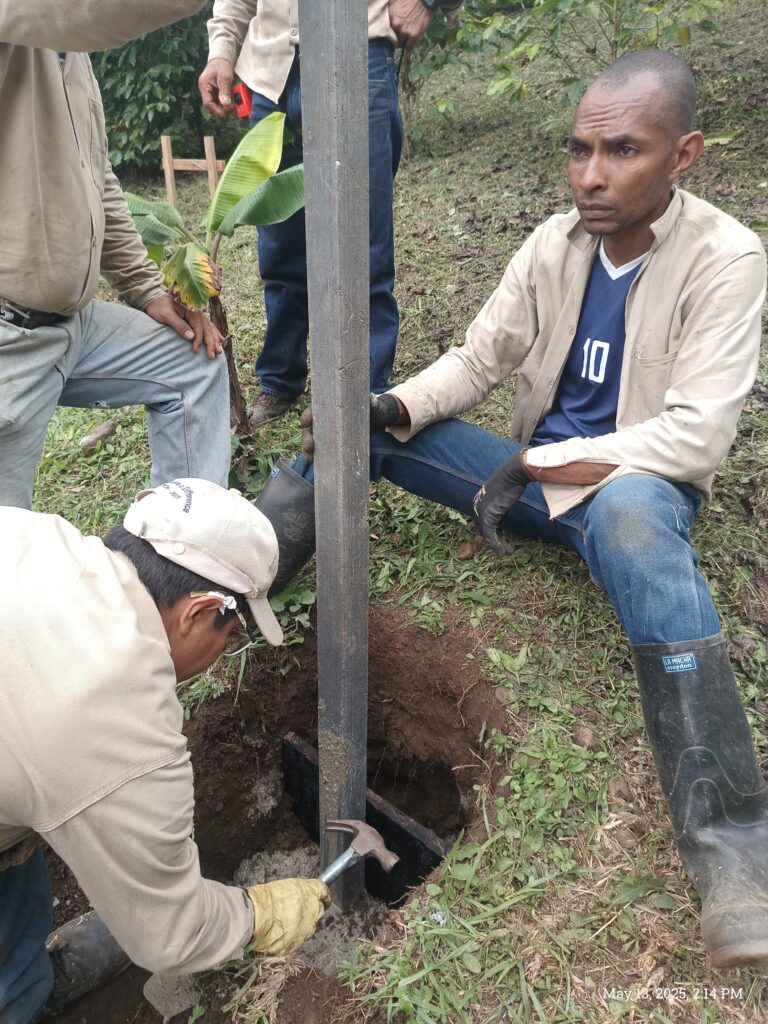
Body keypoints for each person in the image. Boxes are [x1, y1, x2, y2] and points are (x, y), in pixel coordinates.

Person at [263, 50, 768, 968]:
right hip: (526, 483)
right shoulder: (554, 245)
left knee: (630, 520)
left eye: (622, 151)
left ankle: (732, 853)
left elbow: (697, 436)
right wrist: (392, 404)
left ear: (684, 154)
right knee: (357, 429)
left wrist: (541, 461)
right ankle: (254, 570)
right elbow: (477, 359)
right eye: (579, 150)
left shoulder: (726, 257)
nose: (591, 176)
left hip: (629, 493)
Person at [0, 479, 331, 1024]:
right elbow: (172, 934)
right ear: (198, 612)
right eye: (232, 634)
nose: (225, 650)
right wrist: (258, 914)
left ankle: (24, 981)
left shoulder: (38, 535)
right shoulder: (120, 725)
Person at [0, 1, 231, 511]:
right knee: (9, 545)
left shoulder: (73, 57)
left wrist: (147, 289)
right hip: (9, 340)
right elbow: (86, 11)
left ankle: (183, 544)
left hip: (72, 324)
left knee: (192, 363)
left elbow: (98, 178)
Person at [198, 0, 462, 428]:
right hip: (270, 74)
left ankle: (364, 395)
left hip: (359, 54)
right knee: (280, 247)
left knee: (364, 243)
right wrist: (222, 51)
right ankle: (281, 379)